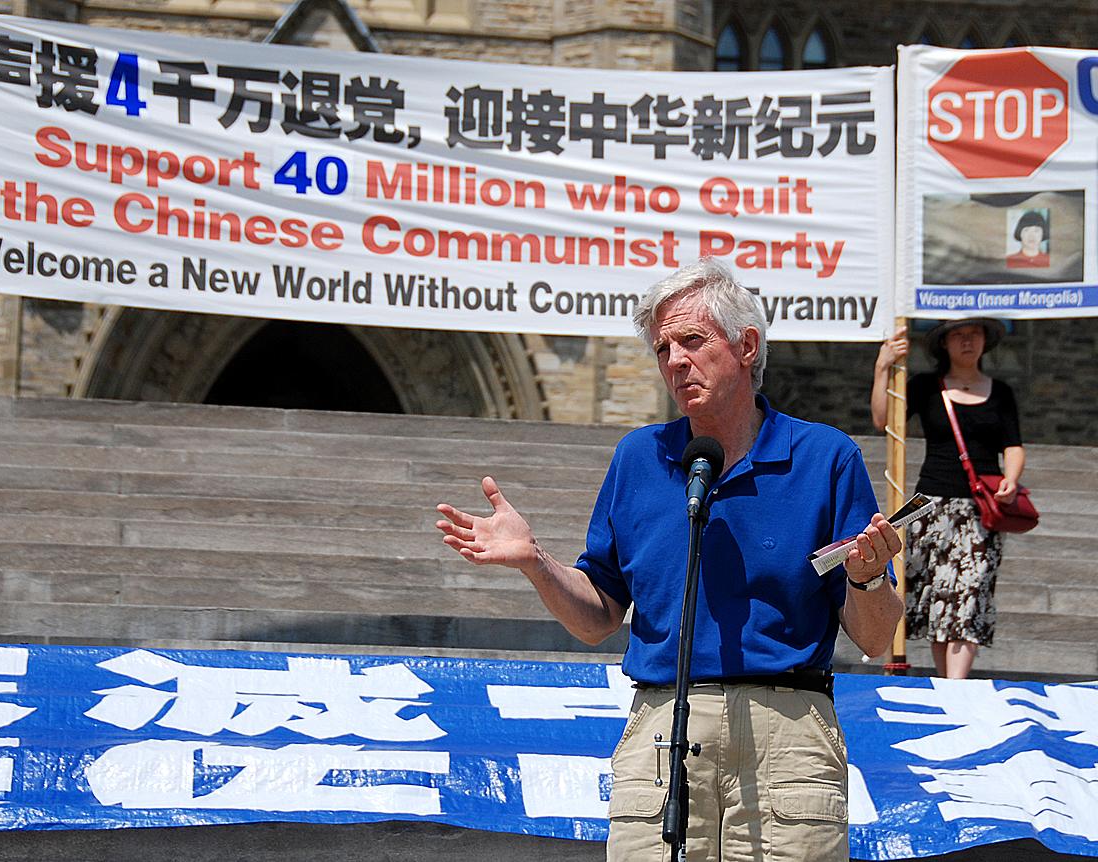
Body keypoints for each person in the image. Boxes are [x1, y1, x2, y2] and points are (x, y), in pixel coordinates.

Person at [437, 258, 902, 862]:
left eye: (692, 340)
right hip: (660, 730)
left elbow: (872, 636)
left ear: (746, 346)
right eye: (663, 349)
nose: (675, 361)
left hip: (787, 735)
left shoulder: (825, 457)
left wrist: (865, 579)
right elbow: (597, 617)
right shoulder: (639, 458)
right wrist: (534, 561)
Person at [870, 318, 1025, 679]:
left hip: (980, 509)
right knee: (941, 596)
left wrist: (1012, 480)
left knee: (970, 593)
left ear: (985, 341)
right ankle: (949, 686)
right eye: (958, 334)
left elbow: (1013, 446)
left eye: (974, 334)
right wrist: (882, 366)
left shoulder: (1000, 392)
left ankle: (956, 686)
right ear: (945, 344)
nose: (967, 341)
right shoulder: (926, 385)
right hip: (931, 505)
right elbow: (883, 419)